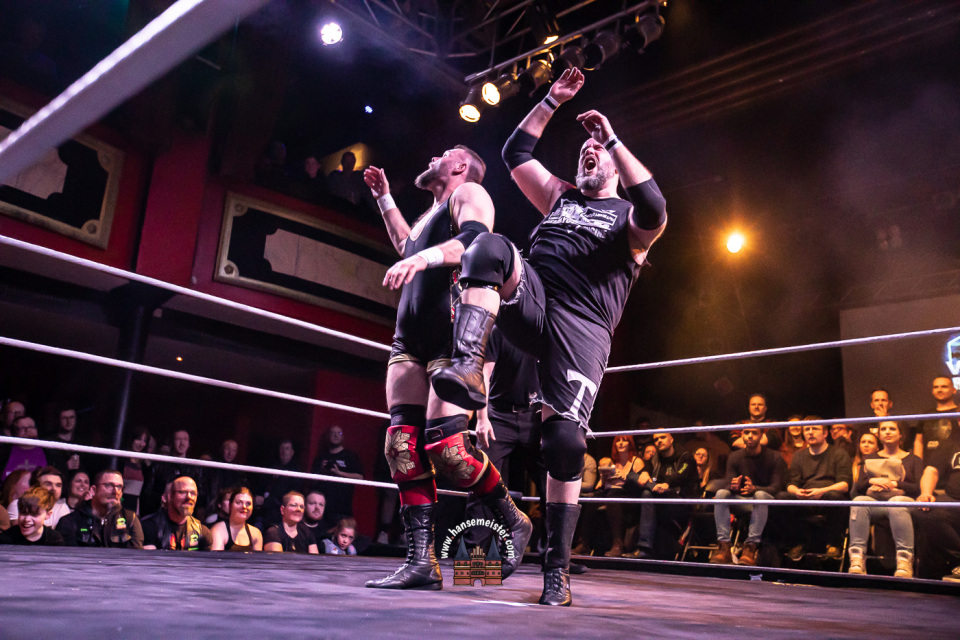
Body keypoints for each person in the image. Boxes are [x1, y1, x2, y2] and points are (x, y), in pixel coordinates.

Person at [430, 67, 667, 606]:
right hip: (532, 307)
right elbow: (515, 153)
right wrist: (551, 100)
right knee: (487, 247)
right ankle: (466, 364)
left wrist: (611, 138)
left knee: (563, 443)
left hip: (582, 328)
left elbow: (655, 205)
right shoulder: (561, 197)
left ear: (616, 165)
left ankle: (555, 570)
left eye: (597, 151)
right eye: (584, 148)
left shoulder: (631, 221)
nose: (588, 151)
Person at [362, 142, 531, 590]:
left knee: (448, 451)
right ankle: (421, 562)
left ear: (459, 166)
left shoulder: (469, 193)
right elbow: (407, 244)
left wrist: (421, 258)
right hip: (409, 339)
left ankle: (512, 517)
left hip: (449, 337)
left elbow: (476, 241)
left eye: (441, 154)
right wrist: (384, 199)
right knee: (401, 447)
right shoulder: (430, 214)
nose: (430, 158)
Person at [463, 326, 545, 555]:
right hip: (499, 414)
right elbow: (484, 376)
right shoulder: (499, 330)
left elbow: (555, 378)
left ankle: (555, 559)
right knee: (482, 480)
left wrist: (549, 423)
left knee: (552, 479)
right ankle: (475, 555)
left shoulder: (546, 330)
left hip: (535, 415)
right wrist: (482, 418)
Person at [847, 421, 922, 577]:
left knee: (896, 503)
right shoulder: (870, 458)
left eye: (892, 429)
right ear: (879, 435)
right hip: (877, 502)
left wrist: (895, 484)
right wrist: (872, 481)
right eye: (884, 429)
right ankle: (857, 559)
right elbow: (858, 488)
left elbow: (918, 488)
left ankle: (904, 562)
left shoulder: (914, 459)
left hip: (904, 503)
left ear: (900, 434)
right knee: (859, 501)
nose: (887, 432)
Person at [709, 427, 786, 566]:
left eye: (754, 433)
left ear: (761, 436)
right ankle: (724, 546)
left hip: (766, 501)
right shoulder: (735, 456)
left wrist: (754, 488)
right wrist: (733, 487)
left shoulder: (775, 457)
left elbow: (776, 487)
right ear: (742, 435)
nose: (750, 436)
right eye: (746, 433)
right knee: (721, 493)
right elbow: (728, 483)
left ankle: (750, 548)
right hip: (743, 500)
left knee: (760, 495)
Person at [776, 423, 852, 561]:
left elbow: (845, 485)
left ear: (825, 433)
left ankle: (834, 544)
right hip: (805, 497)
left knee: (834, 496)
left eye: (815, 429)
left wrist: (821, 491)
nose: (810, 432)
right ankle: (798, 543)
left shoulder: (839, 453)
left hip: (828, 496)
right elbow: (791, 484)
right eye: (807, 429)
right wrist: (797, 491)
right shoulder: (799, 456)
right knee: (781, 497)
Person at [634, 433, 698, 560]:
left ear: (671, 439)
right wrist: (645, 472)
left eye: (662, 437)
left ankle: (644, 548)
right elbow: (645, 468)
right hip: (658, 496)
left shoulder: (685, 457)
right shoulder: (655, 458)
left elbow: (680, 474)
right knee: (633, 479)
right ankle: (643, 548)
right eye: (656, 439)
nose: (659, 441)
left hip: (680, 501)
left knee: (647, 494)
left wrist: (666, 484)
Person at [56, 469, 144, 548]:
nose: (115, 491)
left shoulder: (130, 519)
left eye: (119, 487)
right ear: (94, 490)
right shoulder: (70, 521)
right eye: (109, 485)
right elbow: (69, 557)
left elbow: (135, 556)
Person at [912, 437, 960, 580]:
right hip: (953, 501)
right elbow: (931, 471)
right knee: (924, 510)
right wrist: (926, 493)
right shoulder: (950, 444)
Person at [595, 435, 645, 557]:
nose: (621, 443)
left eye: (624, 441)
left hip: (630, 498)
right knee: (591, 498)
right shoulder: (611, 463)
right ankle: (584, 543)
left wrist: (625, 479)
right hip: (612, 496)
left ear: (630, 444)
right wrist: (604, 477)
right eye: (618, 441)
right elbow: (598, 486)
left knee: (613, 496)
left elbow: (640, 485)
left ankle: (618, 544)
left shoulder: (636, 461)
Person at [141, 476, 213, 551]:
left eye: (193, 493)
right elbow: (149, 558)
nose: (189, 497)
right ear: (169, 497)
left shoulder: (202, 532)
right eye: (182, 492)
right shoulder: (149, 527)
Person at [311, 426, 364, 525]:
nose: (336, 436)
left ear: (343, 437)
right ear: (328, 436)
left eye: (339, 433)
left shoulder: (350, 456)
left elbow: (360, 477)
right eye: (333, 433)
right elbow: (311, 481)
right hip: (321, 507)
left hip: (341, 508)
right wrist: (322, 471)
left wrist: (339, 473)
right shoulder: (321, 457)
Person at [913, 376, 959, 461]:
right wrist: (917, 464)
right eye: (936, 387)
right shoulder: (926, 415)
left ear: (954, 390)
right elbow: (919, 442)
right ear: (932, 391)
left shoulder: (958, 413)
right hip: (929, 465)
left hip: (955, 464)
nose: (939, 390)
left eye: (944, 387)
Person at [211, 487, 263, 552]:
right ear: (230, 505)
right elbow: (216, 558)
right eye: (239, 502)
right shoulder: (218, 530)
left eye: (248, 503)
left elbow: (257, 558)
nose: (244, 506)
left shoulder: (256, 533)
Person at [121, 426, 152, 514]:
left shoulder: (145, 464)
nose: (141, 444)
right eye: (139, 439)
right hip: (119, 502)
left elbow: (144, 492)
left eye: (144, 441)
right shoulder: (121, 459)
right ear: (132, 439)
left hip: (134, 506)